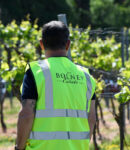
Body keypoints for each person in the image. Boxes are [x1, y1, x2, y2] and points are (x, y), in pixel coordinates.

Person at [15, 21, 96, 150]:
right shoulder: (86, 76)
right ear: (68, 44)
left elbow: (27, 114)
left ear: (41, 44)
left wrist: (18, 147)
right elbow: (91, 117)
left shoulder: (36, 72)